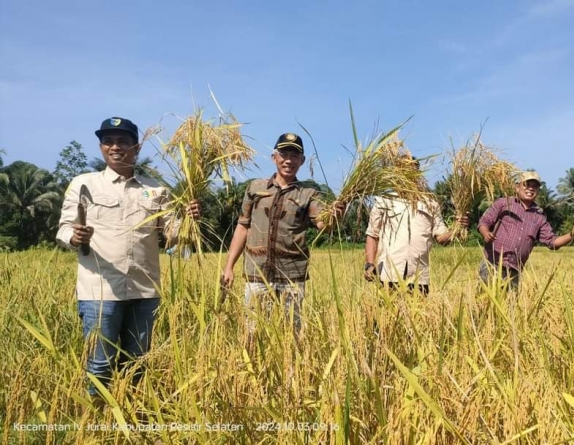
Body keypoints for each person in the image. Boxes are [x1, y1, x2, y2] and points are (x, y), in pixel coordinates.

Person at [56, 117, 200, 403]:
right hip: (100, 290)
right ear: (101, 147)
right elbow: (64, 229)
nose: (115, 147)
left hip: (145, 291)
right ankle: (98, 422)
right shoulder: (84, 184)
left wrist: (189, 221)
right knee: (100, 363)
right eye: (109, 141)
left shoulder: (156, 190)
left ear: (137, 147)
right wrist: (76, 237)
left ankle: (134, 418)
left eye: (123, 141)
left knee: (138, 363)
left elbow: (172, 237)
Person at [221, 133, 339, 334]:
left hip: (292, 276)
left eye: (295, 155)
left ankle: (292, 366)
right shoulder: (255, 188)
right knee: (253, 332)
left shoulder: (308, 194)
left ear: (302, 161)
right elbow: (242, 227)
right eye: (284, 154)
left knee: (292, 333)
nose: (289, 160)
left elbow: (323, 225)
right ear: (274, 157)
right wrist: (229, 266)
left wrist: (335, 216)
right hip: (256, 274)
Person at [363, 158, 469, 295]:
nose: (408, 174)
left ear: (417, 174)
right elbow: (372, 234)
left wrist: (457, 227)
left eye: (412, 171)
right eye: (403, 171)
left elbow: (442, 238)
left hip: (419, 276)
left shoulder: (430, 204)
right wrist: (370, 264)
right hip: (389, 274)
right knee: (387, 315)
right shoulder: (384, 201)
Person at [477, 170, 574, 292]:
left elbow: (553, 242)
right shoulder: (504, 203)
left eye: (535, 186)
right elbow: (484, 222)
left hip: (514, 271)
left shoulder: (539, 216)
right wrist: (486, 234)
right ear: (517, 187)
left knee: (510, 308)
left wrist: (572, 233)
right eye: (526, 185)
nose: (530, 189)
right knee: (484, 303)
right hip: (492, 264)